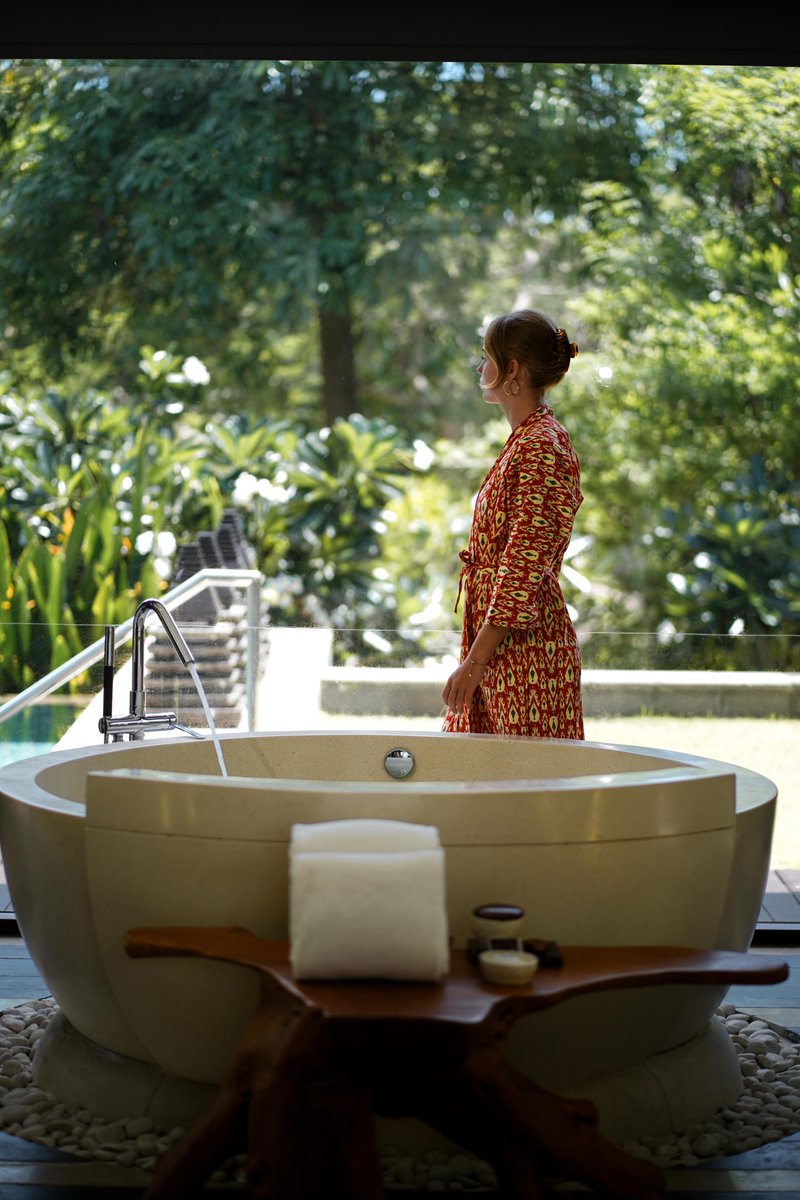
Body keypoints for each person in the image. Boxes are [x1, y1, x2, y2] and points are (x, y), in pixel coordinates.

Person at [442, 308, 584, 739]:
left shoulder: (542, 446)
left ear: (512, 370)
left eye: (487, 356)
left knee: (528, 792)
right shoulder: (527, 439)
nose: (480, 367)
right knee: (487, 787)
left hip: (526, 659)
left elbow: (522, 568)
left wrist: (475, 662)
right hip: (503, 648)